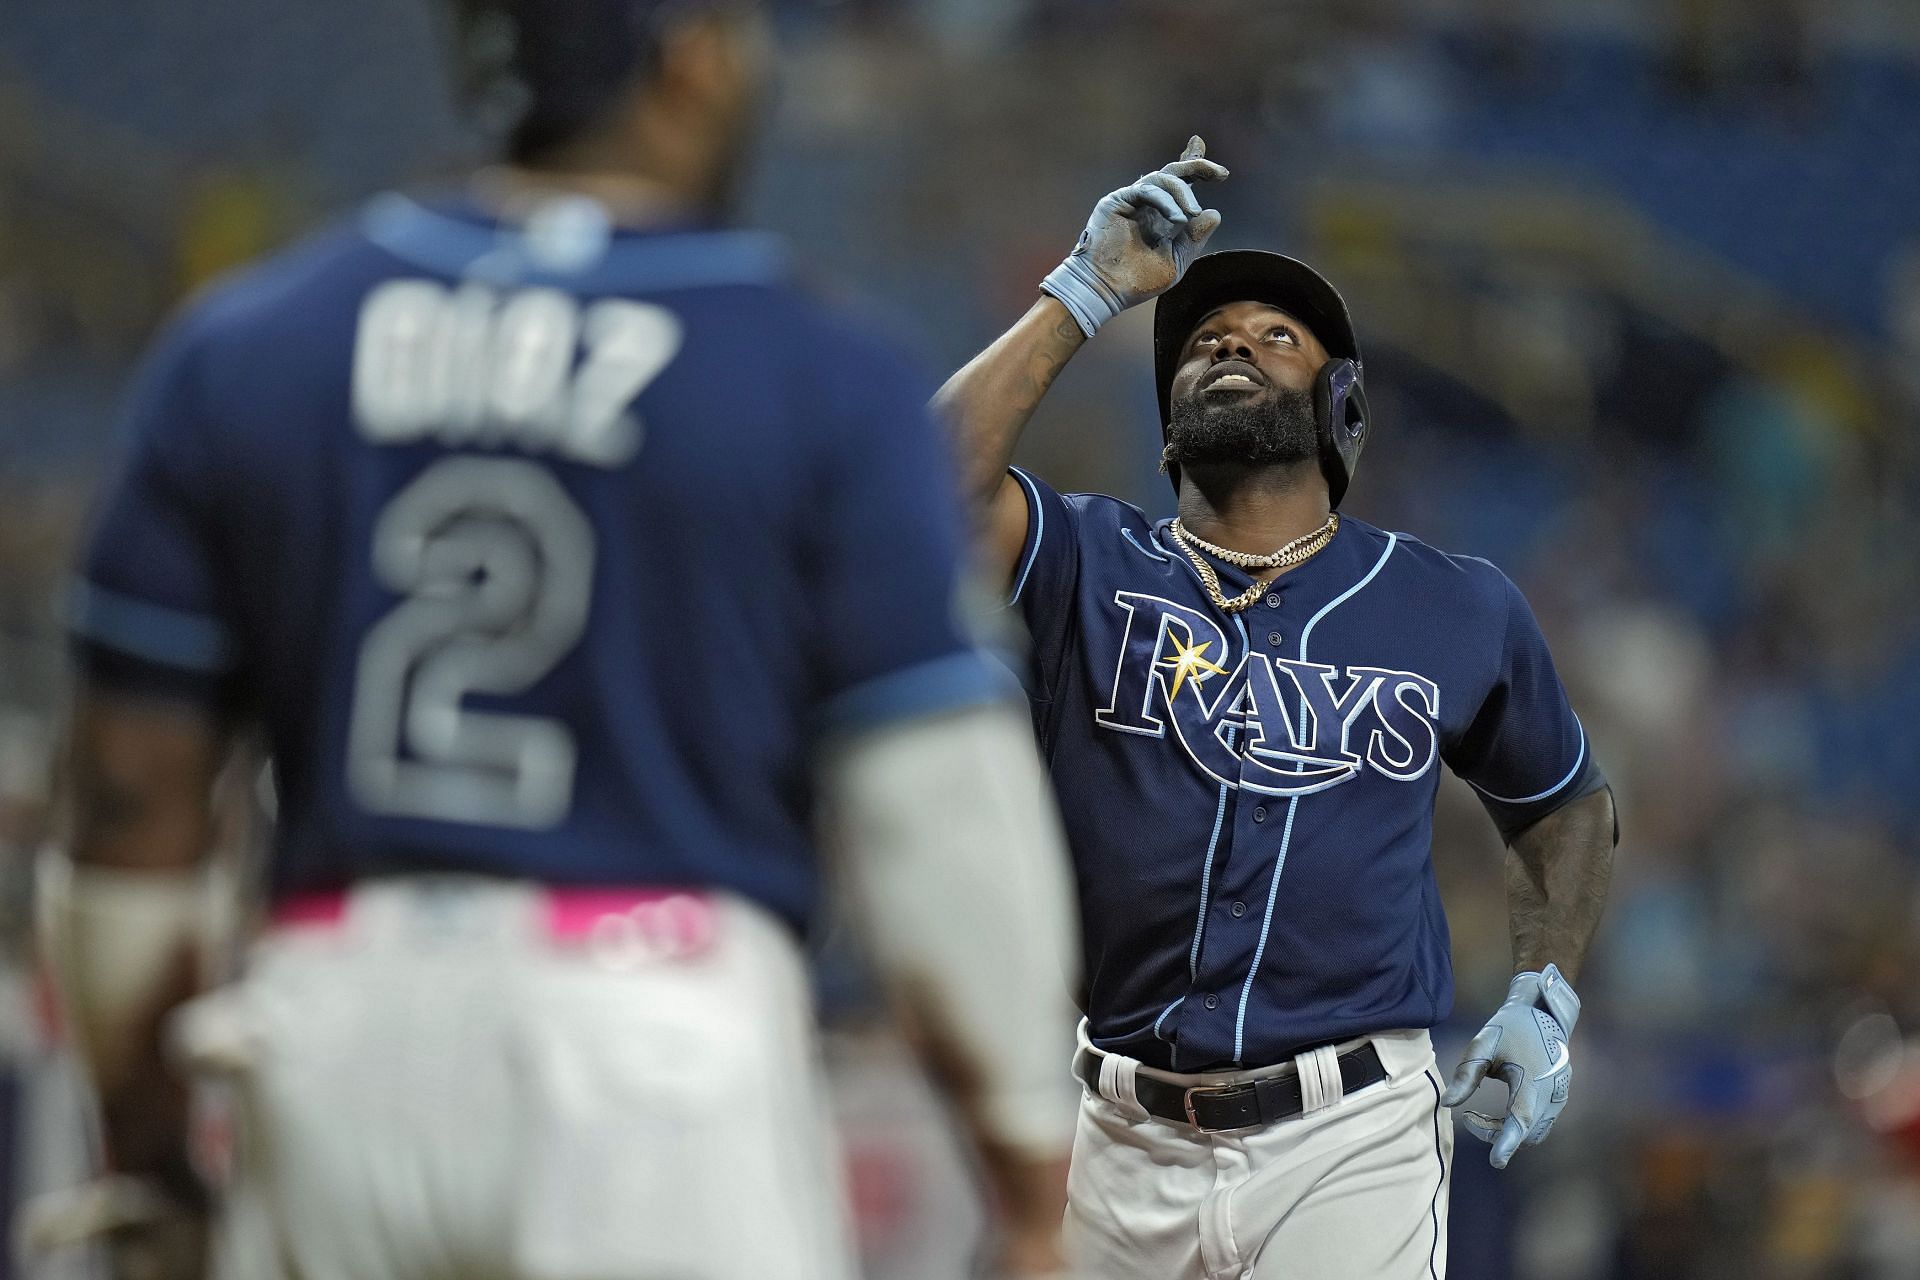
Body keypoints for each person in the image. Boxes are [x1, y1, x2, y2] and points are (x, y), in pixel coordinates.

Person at [34, 3, 1082, 1277]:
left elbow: (130, 797)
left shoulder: (250, 344)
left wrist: (145, 1154)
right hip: (656, 1029)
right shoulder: (816, 366)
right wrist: (1028, 1172)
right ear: (691, 57)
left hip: (334, 1024)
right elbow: (938, 812)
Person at [933, 137, 1618, 1278]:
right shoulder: (1090, 562)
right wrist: (1083, 289)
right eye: (1204, 344)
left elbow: (1564, 802)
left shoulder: (1451, 604)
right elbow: (917, 488)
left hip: (1349, 1134)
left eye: (1275, 338)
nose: (1231, 345)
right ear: (1167, 430)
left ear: (1340, 406)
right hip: (1119, 1134)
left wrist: (1544, 990)